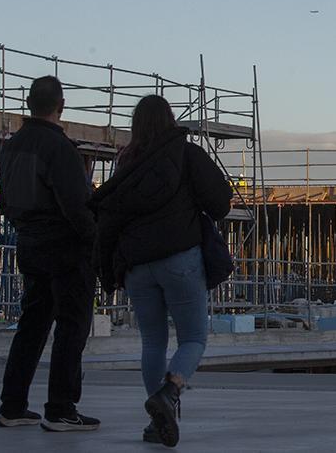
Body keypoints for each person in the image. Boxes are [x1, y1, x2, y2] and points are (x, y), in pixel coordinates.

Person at [90, 95, 231, 447]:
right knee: (194, 338)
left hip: (138, 266)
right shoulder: (187, 154)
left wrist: (108, 271)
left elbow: (109, 220)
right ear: (170, 120)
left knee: (152, 342)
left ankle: (157, 422)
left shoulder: (125, 164)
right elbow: (220, 201)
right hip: (180, 259)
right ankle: (169, 394)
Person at [0, 75, 100, 432]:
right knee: (72, 325)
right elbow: (76, 205)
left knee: (32, 324)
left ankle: (12, 405)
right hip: (65, 246)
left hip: (29, 242)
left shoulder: (11, 147)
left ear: (29, 103)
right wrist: (95, 242)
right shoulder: (60, 149)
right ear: (61, 106)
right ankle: (60, 407)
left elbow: (5, 200)